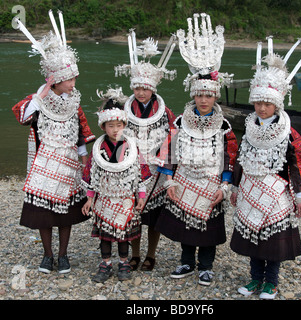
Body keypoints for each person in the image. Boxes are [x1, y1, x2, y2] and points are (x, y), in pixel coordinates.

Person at [229, 37, 301, 299]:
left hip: (277, 192)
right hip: (249, 189)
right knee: (252, 236)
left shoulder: (289, 133)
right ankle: (255, 279)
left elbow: (296, 166)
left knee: (271, 239)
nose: (262, 108)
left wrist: (299, 196)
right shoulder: (249, 129)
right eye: (258, 103)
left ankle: (272, 281)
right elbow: (240, 160)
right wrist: (234, 186)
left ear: (276, 104)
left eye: (267, 104)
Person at [155, 13, 238, 286]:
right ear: (193, 95)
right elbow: (170, 152)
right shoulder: (179, 121)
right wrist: (168, 179)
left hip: (212, 181)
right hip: (185, 180)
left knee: (209, 226)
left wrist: (225, 186)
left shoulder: (224, 125)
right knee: (186, 225)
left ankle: (206, 266)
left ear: (216, 96)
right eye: (200, 95)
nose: (204, 100)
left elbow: (229, 159)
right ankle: (186, 262)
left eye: (209, 95)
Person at [12, 11, 95, 274]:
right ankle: (47, 255)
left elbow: (82, 135)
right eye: (70, 79)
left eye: (74, 78)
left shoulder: (74, 103)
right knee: (43, 213)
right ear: (57, 80)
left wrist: (84, 163)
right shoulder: (38, 101)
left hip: (68, 163)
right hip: (44, 163)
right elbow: (22, 117)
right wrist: (40, 96)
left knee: (65, 214)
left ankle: (64, 254)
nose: (74, 83)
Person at [114, 31, 177, 271]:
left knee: (154, 217)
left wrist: (166, 165)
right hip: (131, 171)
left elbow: (172, 139)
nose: (141, 93)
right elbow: (114, 136)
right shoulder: (123, 109)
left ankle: (151, 254)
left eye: (145, 89)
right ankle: (135, 253)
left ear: (152, 89)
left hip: (157, 171)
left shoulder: (165, 112)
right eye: (137, 88)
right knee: (134, 215)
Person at [81, 87, 146, 282]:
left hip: (125, 198)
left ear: (124, 124)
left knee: (123, 235)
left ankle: (124, 262)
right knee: (106, 236)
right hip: (105, 197)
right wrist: (89, 199)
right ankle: (106, 263)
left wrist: (141, 197)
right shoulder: (98, 148)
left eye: (119, 125)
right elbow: (92, 175)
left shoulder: (132, 148)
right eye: (111, 126)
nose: (115, 129)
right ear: (103, 127)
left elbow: (140, 175)